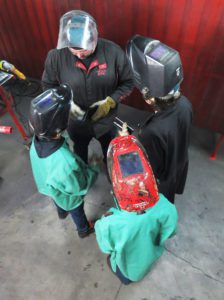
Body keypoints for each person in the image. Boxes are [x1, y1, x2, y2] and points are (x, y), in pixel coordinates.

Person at [42, 10, 134, 164]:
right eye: (73, 50)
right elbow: (48, 85)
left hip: (106, 121)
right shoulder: (56, 57)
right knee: (79, 150)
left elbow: (128, 82)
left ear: (94, 39)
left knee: (110, 152)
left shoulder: (113, 53)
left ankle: (109, 170)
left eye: (83, 50)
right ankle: (83, 172)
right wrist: (65, 104)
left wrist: (111, 101)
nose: (79, 55)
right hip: (75, 123)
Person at [95, 126, 178, 284]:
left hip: (127, 269)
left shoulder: (108, 224)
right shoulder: (167, 207)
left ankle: (126, 280)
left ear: (116, 189)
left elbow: (106, 247)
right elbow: (170, 231)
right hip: (151, 255)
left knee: (121, 271)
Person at [126, 35, 193, 203]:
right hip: (179, 161)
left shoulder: (151, 131)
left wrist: (129, 141)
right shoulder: (185, 103)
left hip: (162, 179)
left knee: (162, 201)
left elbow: (150, 169)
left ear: (150, 99)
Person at [29, 84, 98, 238]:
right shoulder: (64, 162)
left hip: (49, 187)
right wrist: (93, 169)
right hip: (68, 195)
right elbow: (78, 187)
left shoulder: (36, 141)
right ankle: (83, 229)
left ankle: (61, 212)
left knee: (58, 199)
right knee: (76, 209)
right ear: (59, 126)